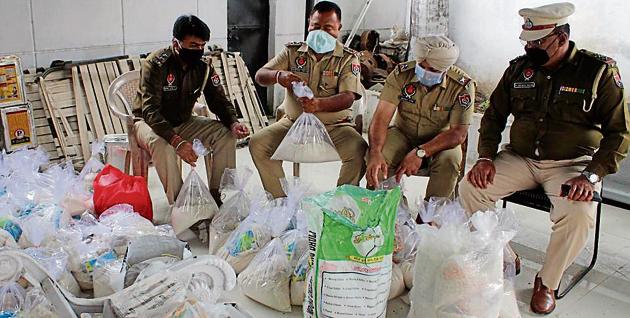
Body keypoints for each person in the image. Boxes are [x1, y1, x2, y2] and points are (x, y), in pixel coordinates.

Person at [458, 2, 629, 314]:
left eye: (538, 42)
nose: (529, 47)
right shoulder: (519, 68)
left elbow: (620, 133)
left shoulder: (598, 72)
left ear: (561, 37)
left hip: (571, 165)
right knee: (471, 188)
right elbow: (494, 116)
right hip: (520, 158)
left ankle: (547, 282)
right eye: (527, 41)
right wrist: (484, 157)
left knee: (578, 213)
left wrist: (591, 176)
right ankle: (504, 254)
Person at [250, 1, 367, 198]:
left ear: (338, 28)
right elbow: (260, 75)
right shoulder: (293, 52)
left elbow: (348, 98)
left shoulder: (348, 58)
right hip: (292, 125)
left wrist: (319, 105)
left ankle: (342, 203)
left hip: (334, 127)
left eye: (328, 28)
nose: (321, 32)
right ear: (308, 24)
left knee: (359, 150)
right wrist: (279, 76)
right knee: (257, 143)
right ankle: (280, 201)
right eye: (316, 26)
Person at [134, 15, 250, 209]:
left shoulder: (203, 67)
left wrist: (233, 122)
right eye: (193, 45)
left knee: (225, 134)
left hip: (183, 121)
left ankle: (216, 194)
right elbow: (150, 110)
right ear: (176, 43)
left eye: (202, 45)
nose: (198, 50)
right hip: (148, 124)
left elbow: (218, 100)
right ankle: (182, 204)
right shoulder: (156, 64)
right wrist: (177, 142)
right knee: (162, 145)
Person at [366, 36, 474, 201]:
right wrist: (374, 152)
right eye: (421, 66)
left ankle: (429, 216)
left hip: (440, 141)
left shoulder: (461, 85)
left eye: (432, 70)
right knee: (381, 155)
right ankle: (389, 208)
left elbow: (458, 134)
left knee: (450, 161)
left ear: (445, 68)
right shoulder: (402, 74)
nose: (424, 72)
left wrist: (421, 152)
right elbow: (381, 117)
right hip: (403, 133)